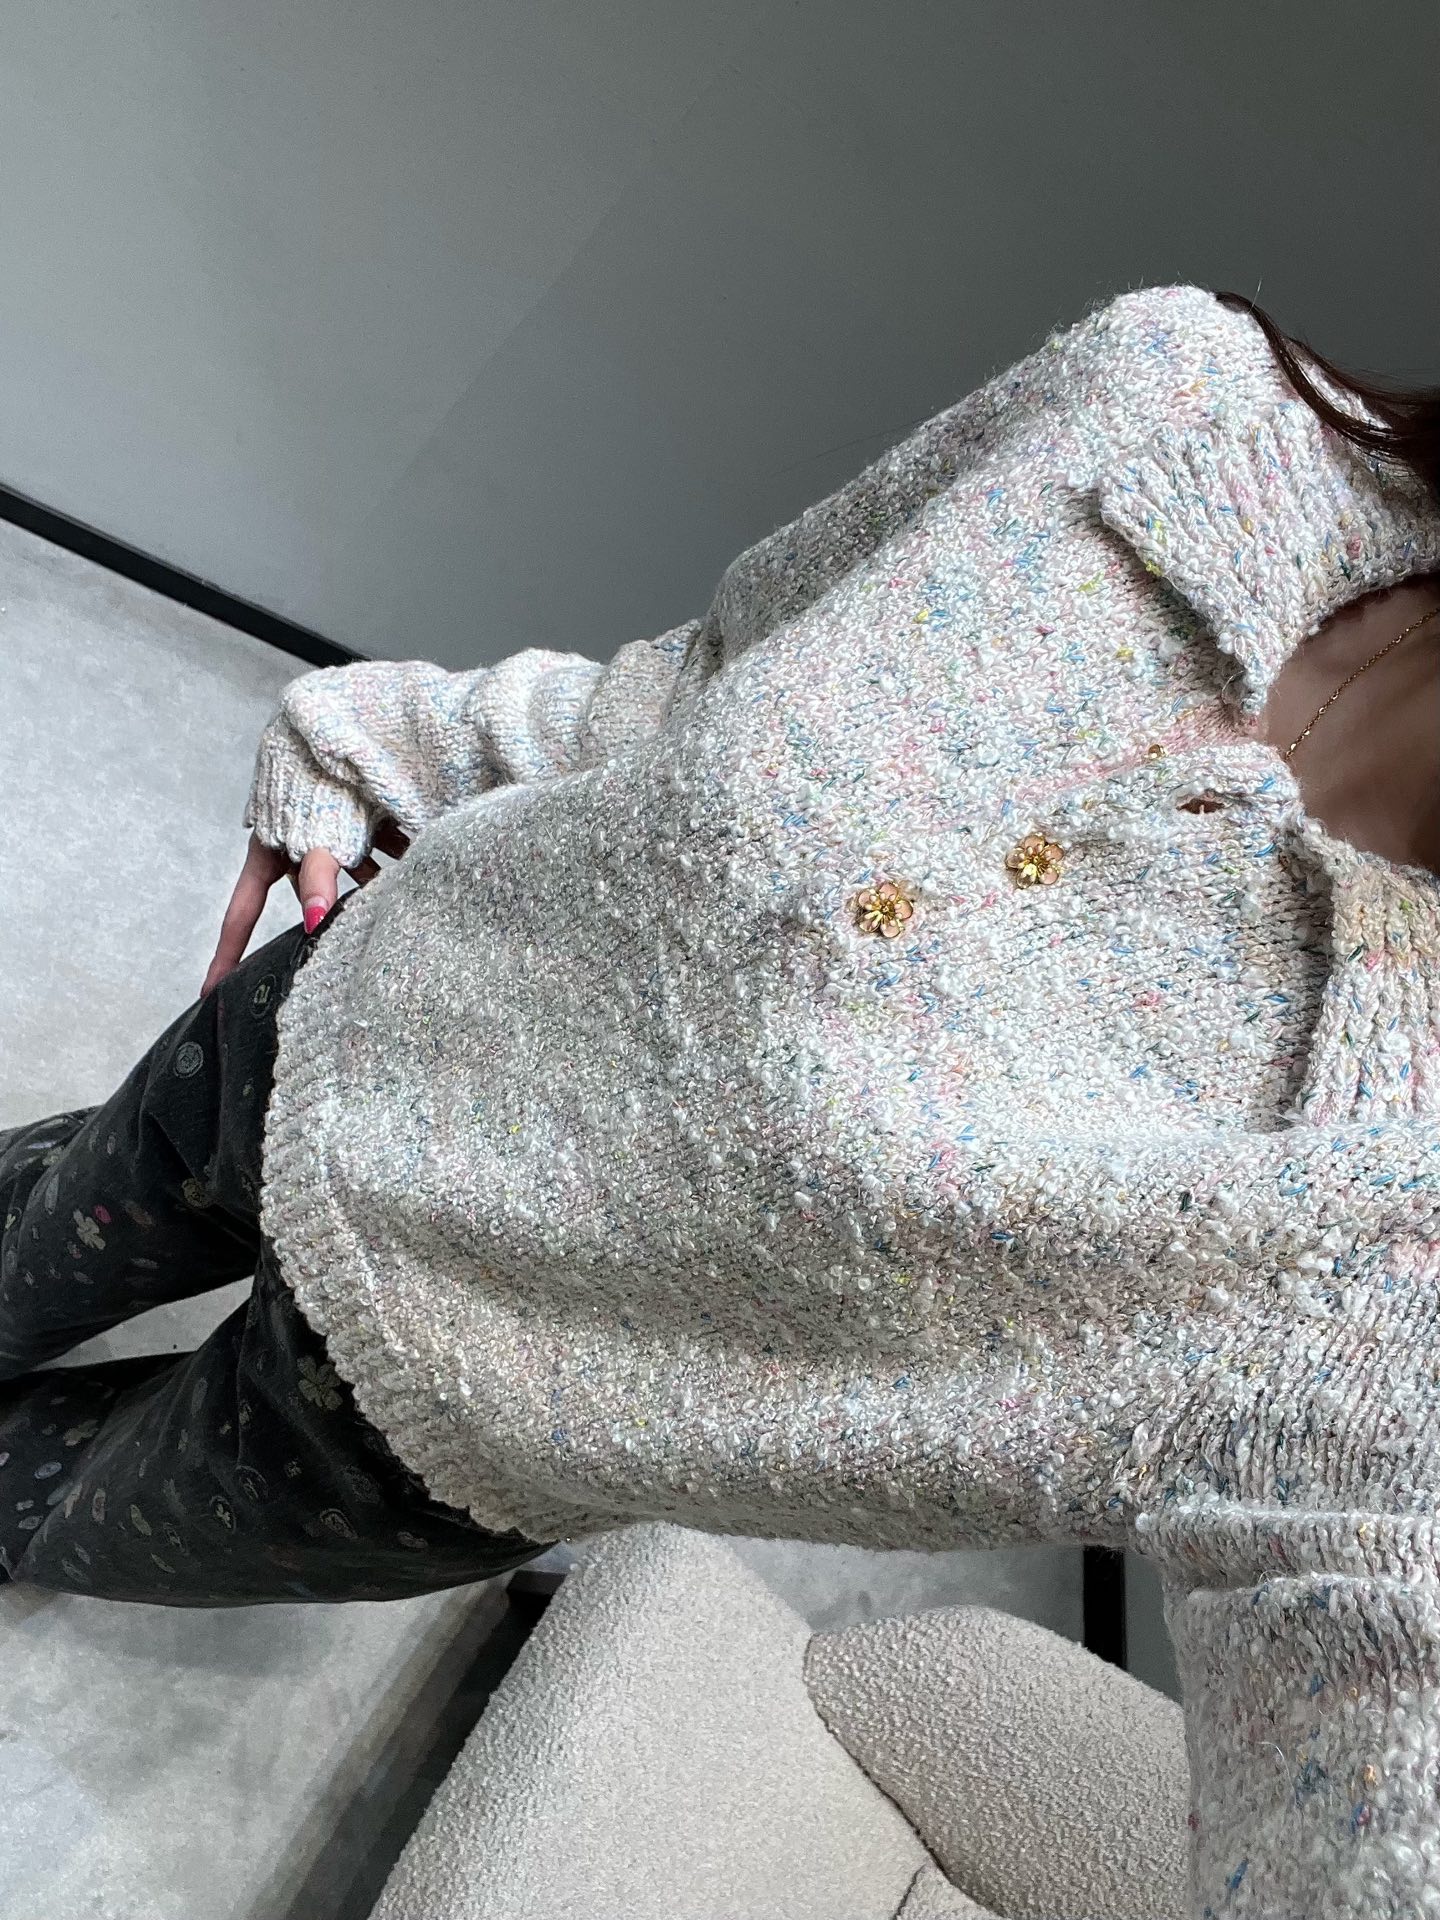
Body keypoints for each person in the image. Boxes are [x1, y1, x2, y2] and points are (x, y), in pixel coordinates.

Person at [4, 280, 1440, 1915]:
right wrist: (396, 737)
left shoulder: (1394, 1251)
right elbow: (711, 677)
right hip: (320, 1034)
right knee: (20, 1235)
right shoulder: (1179, 404)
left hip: (394, 1452)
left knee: (33, 1504)